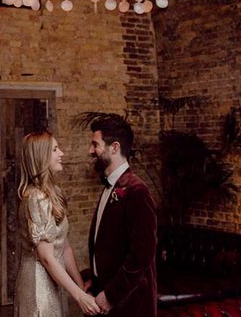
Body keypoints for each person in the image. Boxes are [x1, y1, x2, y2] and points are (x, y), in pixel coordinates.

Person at [14, 131, 101, 317]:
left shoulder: (52, 193)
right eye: (55, 149)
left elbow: (65, 246)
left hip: (53, 281)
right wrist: (79, 297)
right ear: (41, 156)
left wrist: (80, 286)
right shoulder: (36, 198)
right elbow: (46, 257)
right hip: (38, 285)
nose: (61, 153)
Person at [86, 114, 157, 317]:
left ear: (114, 147)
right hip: (106, 297)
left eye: (95, 144)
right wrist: (95, 278)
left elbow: (142, 255)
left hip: (130, 303)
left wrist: (111, 295)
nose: (91, 151)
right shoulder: (111, 185)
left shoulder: (137, 191)